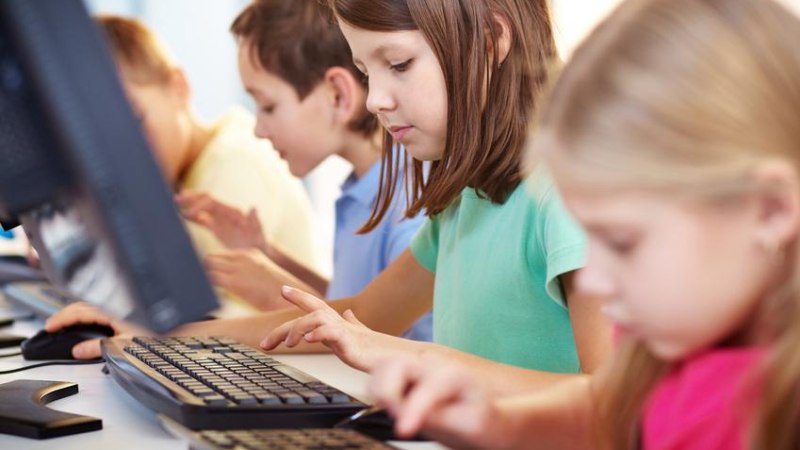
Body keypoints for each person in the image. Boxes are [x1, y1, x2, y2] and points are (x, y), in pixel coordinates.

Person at [46, 0, 609, 395]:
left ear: (491, 39)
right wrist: (160, 339)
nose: (377, 100)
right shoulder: (466, 199)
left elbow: (614, 402)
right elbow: (356, 318)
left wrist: (411, 357)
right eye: (368, 71)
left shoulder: (566, 192)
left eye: (399, 64)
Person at [364, 0, 800, 448]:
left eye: (624, 243)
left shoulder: (768, 402)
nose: (594, 277)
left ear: (770, 211)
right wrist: (499, 424)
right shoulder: (669, 341)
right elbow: (606, 407)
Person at [174, 0, 431, 341]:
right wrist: (270, 257)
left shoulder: (406, 199)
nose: (258, 129)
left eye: (268, 106)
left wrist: (273, 290)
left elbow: (381, 335)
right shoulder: (361, 187)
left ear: (338, 95)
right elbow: (361, 303)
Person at [97, 16, 322, 315]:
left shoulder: (234, 164)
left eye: (137, 120)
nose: (128, 150)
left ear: (179, 87)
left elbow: (219, 316)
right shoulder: (187, 171)